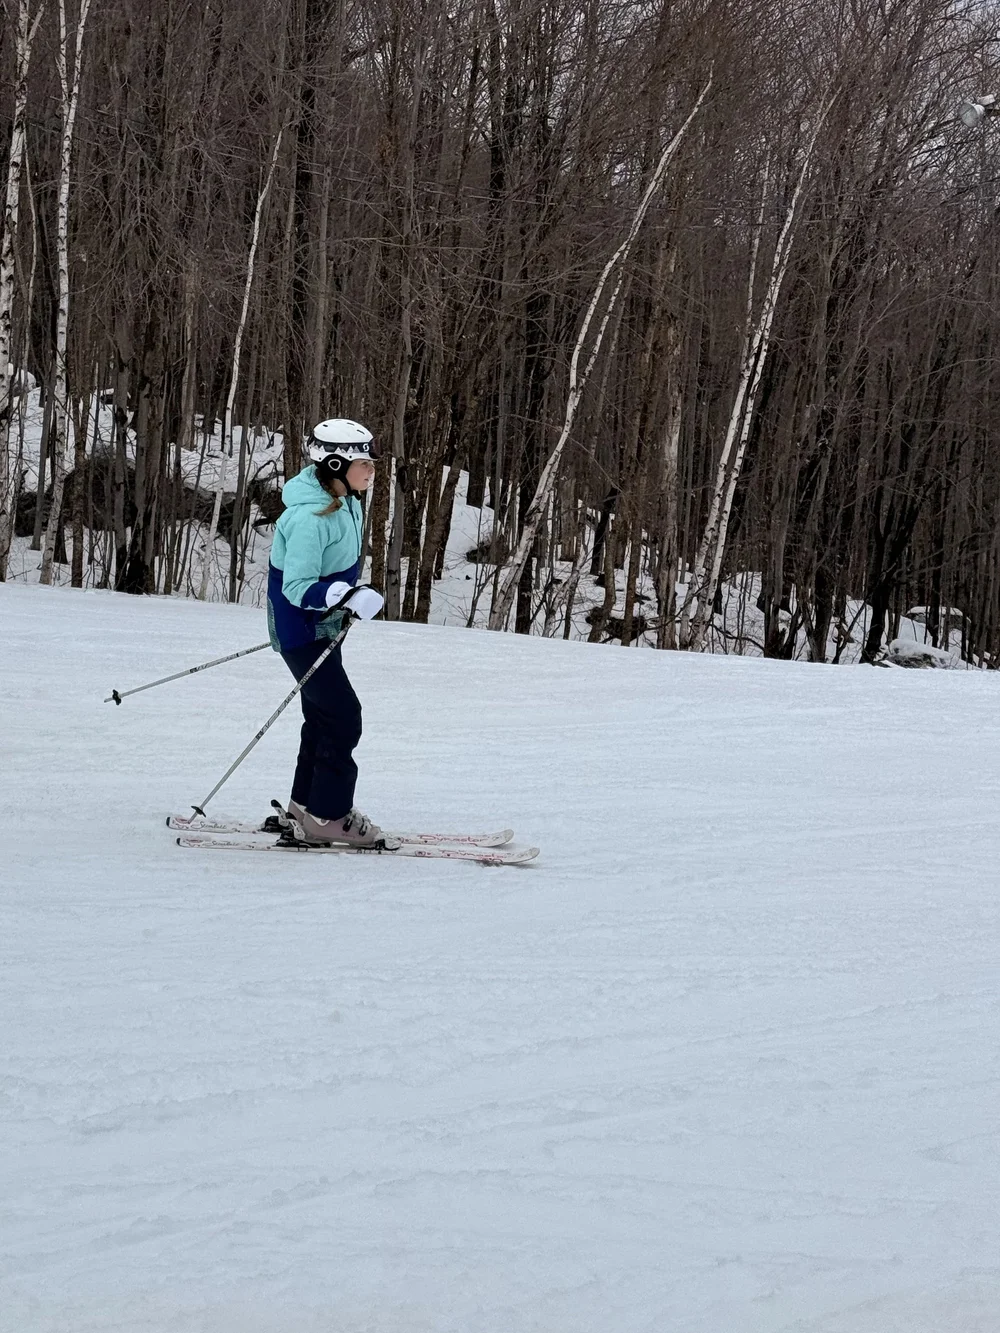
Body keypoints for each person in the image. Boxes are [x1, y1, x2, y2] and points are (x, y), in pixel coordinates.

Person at [267, 418, 392, 847]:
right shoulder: (309, 518)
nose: (372, 469)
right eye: (364, 462)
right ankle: (329, 815)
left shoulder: (346, 500)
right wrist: (345, 596)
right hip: (303, 631)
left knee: (322, 717)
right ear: (336, 464)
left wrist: (351, 594)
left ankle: (305, 807)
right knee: (342, 718)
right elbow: (298, 587)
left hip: (323, 628)